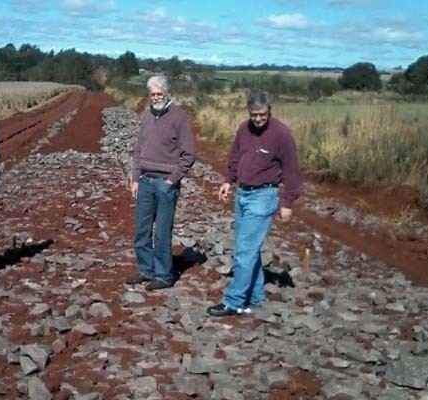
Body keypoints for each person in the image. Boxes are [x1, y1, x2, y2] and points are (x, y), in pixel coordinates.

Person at [208, 90, 302, 316]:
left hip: (263, 196)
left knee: (245, 252)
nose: (258, 119)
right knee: (247, 249)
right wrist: (228, 181)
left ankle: (235, 301)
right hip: (243, 194)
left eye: (262, 114)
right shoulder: (243, 129)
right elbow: (234, 156)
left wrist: (287, 202)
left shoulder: (282, 135)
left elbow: (292, 172)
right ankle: (257, 295)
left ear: (270, 111)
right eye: (254, 115)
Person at [127, 74, 196, 290]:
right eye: (153, 94)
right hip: (145, 181)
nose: (156, 97)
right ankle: (147, 270)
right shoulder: (147, 116)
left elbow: (189, 154)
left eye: (160, 93)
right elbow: (139, 149)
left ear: (167, 93)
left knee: (162, 232)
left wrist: (171, 180)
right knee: (142, 230)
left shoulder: (179, 117)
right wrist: (135, 178)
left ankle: (164, 275)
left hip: (165, 183)